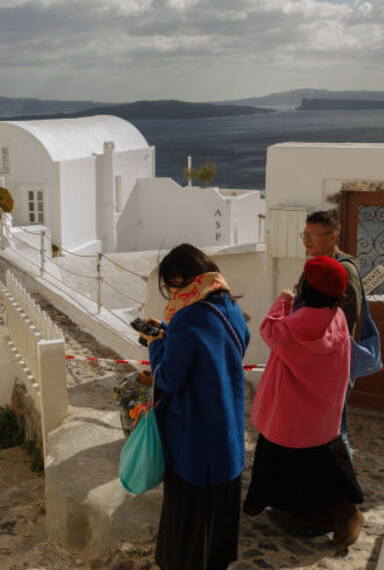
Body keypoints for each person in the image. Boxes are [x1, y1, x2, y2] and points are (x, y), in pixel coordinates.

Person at [243, 256, 365, 550]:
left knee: (289, 463)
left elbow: (268, 330)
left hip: (289, 411)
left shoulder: (294, 324)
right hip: (322, 409)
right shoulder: (337, 319)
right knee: (322, 465)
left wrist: (282, 301)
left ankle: (329, 514)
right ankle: (323, 514)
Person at [140, 243, 249, 570]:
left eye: (170, 284)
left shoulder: (187, 318)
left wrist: (156, 343)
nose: (170, 292)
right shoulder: (228, 307)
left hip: (194, 439)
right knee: (216, 525)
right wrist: (169, 335)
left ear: (179, 278)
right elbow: (214, 350)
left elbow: (169, 377)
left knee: (188, 524)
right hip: (226, 435)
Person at [298, 210, 366, 451]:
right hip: (314, 361)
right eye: (304, 235)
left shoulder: (344, 270)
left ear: (332, 237)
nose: (306, 241)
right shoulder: (315, 266)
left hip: (333, 362)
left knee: (336, 430)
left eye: (313, 235)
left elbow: (347, 318)